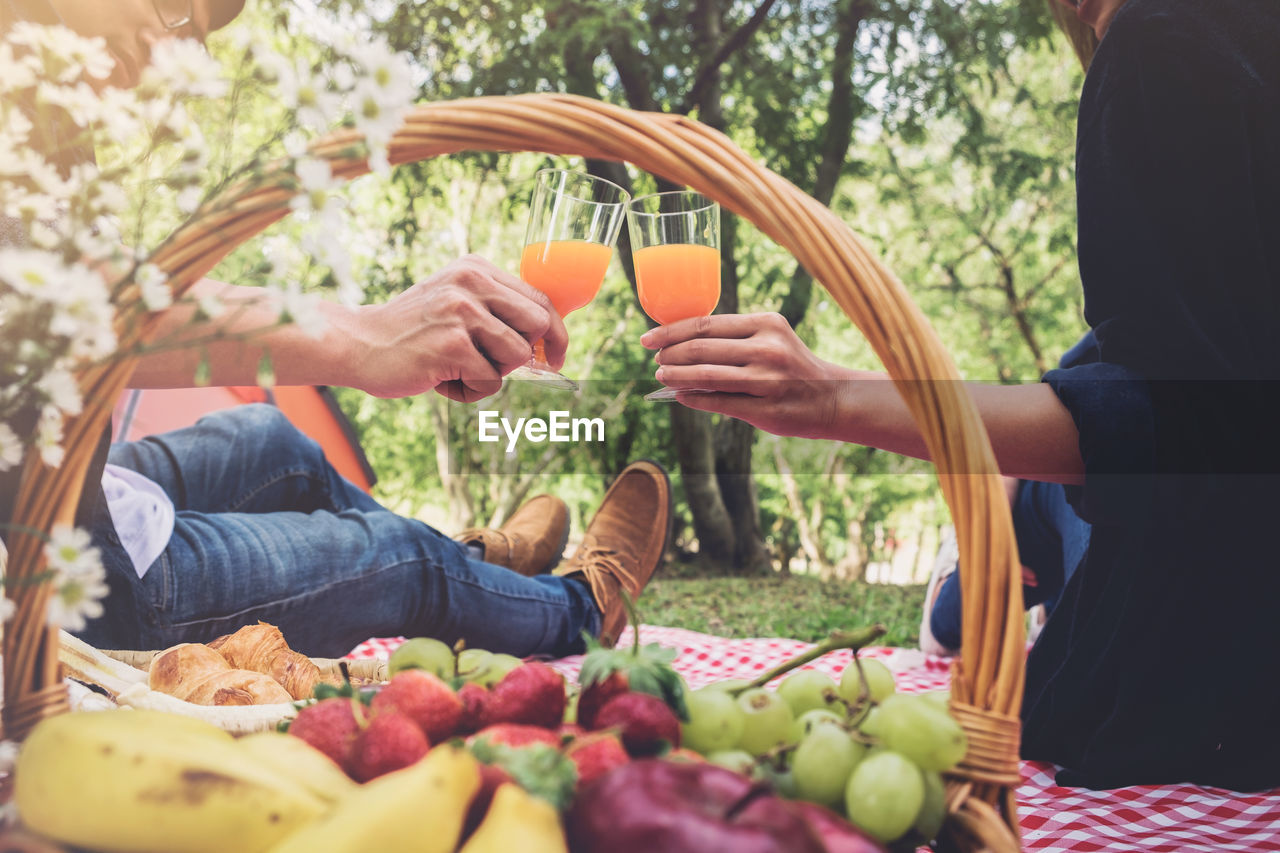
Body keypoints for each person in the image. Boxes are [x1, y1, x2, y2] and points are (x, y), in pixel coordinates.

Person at [641, 0, 1280, 791]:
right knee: (1040, 495)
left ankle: (988, 542)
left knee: (1035, 550)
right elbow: (1186, 353)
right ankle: (1001, 518)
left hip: (1230, 656)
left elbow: (1189, 424)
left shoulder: (1161, 42)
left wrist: (832, 397)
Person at [1, 0, 672, 658]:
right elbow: (65, 313)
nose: (164, 51)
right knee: (400, 561)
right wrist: (365, 336)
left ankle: (478, 563)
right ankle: (580, 609)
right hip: (61, 577)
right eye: (173, 10)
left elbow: (97, 280)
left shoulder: (42, 91)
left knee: (271, 440)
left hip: (65, 487)